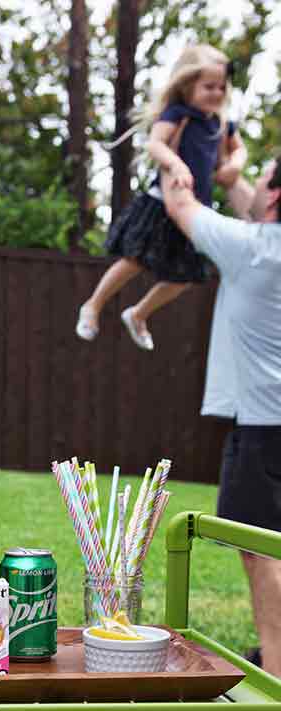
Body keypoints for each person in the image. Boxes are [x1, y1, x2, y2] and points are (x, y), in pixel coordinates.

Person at [161, 155, 281, 675]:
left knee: (261, 549)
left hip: (264, 426)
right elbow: (252, 212)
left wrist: (172, 149)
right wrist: (234, 180)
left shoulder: (250, 250)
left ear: (274, 195)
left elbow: (178, 203)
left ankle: (276, 672)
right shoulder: (256, 245)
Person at [76, 44, 246, 350]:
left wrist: (235, 165)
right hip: (161, 203)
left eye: (222, 87)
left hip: (196, 210)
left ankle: (138, 314)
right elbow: (156, 144)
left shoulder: (221, 124)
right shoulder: (178, 115)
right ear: (186, 85)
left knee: (186, 276)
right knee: (134, 260)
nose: (217, 93)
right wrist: (175, 163)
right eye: (208, 86)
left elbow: (239, 149)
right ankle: (93, 305)